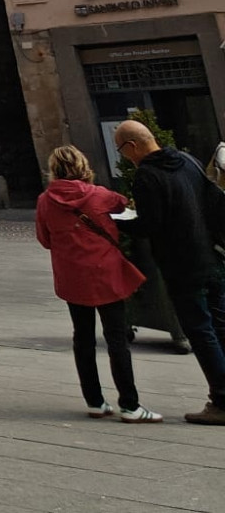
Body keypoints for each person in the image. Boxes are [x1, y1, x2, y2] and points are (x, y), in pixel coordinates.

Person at [35, 144, 160, 423]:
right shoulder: (100, 195)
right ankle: (130, 404)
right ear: (82, 166)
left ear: (54, 170)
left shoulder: (45, 200)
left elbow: (45, 240)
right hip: (105, 274)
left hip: (72, 276)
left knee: (83, 338)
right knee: (117, 339)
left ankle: (94, 401)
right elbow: (125, 207)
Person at [115, 118, 225, 425]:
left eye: (122, 151)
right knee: (220, 325)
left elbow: (149, 225)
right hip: (212, 257)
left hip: (182, 264)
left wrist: (117, 221)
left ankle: (222, 400)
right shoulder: (187, 160)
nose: (125, 157)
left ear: (132, 146)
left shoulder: (147, 176)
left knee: (201, 331)